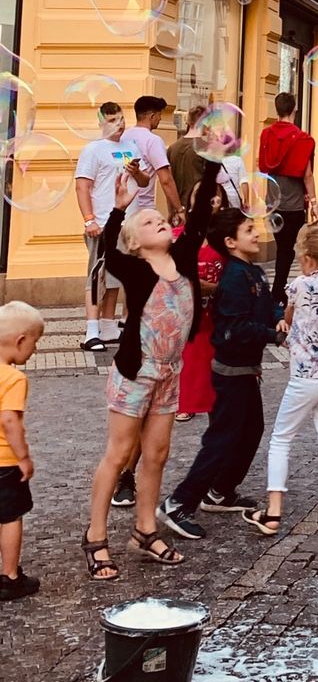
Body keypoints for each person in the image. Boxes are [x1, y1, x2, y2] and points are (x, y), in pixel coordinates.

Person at [84, 159, 220, 579]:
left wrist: (213, 162)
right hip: (135, 374)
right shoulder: (135, 268)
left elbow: (196, 217)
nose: (159, 222)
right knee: (121, 453)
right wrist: (120, 209)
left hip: (168, 372)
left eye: (161, 219)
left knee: (157, 454)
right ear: (136, 242)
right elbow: (107, 249)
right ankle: (95, 536)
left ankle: (145, 529)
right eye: (149, 222)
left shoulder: (180, 256)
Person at [160, 208, 285, 539]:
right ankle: (178, 502)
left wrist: (280, 316)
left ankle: (220, 491)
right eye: (248, 230)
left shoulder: (253, 272)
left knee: (251, 430)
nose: (257, 233)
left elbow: (267, 305)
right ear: (230, 242)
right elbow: (237, 327)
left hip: (246, 369)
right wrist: (274, 335)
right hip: (230, 372)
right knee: (221, 440)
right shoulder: (232, 278)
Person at [245, 224, 318, 537]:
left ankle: (273, 512)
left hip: (305, 377)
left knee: (281, 439)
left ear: (308, 259)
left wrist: (285, 321)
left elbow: (291, 319)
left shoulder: (300, 284)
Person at [76, 101, 150, 352]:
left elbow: (143, 181)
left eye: (120, 119)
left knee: (117, 275)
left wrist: (137, 171)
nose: (119, 125)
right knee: (97, 275)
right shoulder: (93, 150)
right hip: (103, 221)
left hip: (128, 221)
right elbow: (83, 186)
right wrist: (89, 219)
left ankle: (108, 325)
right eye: (112, 120)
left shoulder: (131, 146)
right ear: (101, 123)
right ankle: (92, 330)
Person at [176, 179, 231, 424]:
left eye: (213, 195)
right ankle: (183, 402)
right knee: (187, 357)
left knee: (210, 358)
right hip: (184, 312)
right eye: (200, 194)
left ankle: (214, 403)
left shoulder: (225, 237)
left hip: (215, 311)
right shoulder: (178, 236)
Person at [0, 300, 44, 602]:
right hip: (4, 463)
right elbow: (9, 419)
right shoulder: (14, 378)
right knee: (11, 517)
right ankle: (10, 576)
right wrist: (24, 457)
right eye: (35, 343)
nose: (35, 350)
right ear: (20, 341)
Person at [258, 93, 317, 305]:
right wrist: (314, 202)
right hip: (292, 205)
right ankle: (277, 291)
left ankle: (278, 290)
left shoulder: (266, 135)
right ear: (295, 109)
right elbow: (307, 174)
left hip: (272, 203)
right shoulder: (303, 139)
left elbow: (263, 166)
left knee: (282, 246)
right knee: (286, 249)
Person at [122, 95, 184, 225]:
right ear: (152, 116)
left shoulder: (123, 137)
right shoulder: (153, 140)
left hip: (122, 208)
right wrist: (179, 209)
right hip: (143, 210)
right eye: (159, 115)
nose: (160, 118)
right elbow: (166, 179)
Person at [166, 105, 209, 210]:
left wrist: (172, 209)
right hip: (199, 207)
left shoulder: (172, 148)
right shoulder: (206, 148)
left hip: (177, 207)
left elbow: (168, 181)